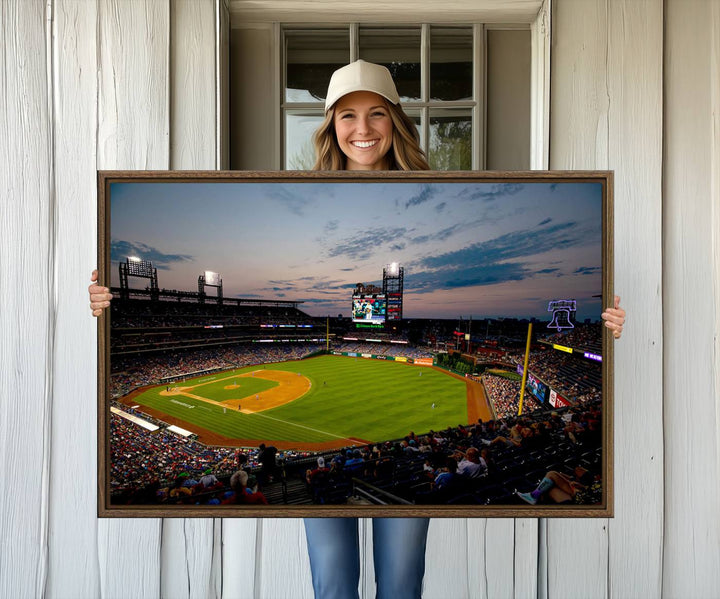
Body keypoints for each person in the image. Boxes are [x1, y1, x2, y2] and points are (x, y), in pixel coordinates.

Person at [88, 59, 626, 599]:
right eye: (347, 115)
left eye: (376, 114)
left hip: (373, 472)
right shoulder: (306, 191)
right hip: (357, 480)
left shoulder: (440, 190)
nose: (362, 129)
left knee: (400, 580)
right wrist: (105, 302)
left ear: (396, 120)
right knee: (333, 580)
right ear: (330, 126)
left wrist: (602, 325)